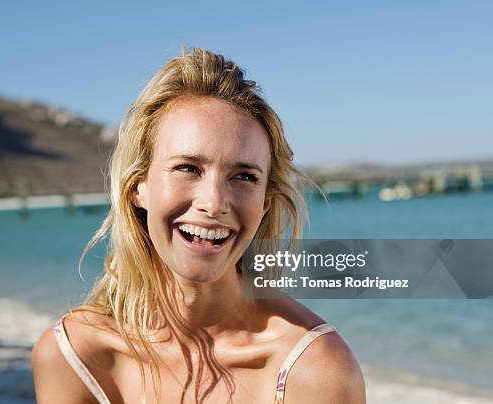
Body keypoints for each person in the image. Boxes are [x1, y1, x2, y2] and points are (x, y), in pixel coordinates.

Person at [32, 48, 366, 404]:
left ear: (264, 202)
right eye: (188, 168)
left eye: (243, 176)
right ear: (137, 188)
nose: (215, 203)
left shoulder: (314, 370)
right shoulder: (74, 356)